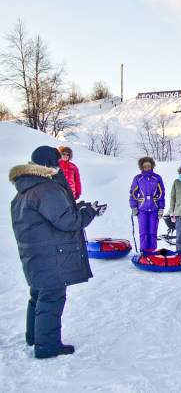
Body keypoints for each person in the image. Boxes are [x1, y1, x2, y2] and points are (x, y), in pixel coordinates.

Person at [10, 146, 106, 359]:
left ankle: (34, 337)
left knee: (38, 295)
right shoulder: (47, 189)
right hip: (51, 254)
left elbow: (52, 215)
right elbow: (68, 221)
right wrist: (89, 212)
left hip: (35, 254)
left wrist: (79, 206)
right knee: (52, 298)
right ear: (50, 164)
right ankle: (48, 346)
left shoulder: (25, 189)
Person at [129, 157, 165, 252]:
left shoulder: (157, 178)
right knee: (143, 232)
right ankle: (144, 252)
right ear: (142, 167)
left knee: (153, 231)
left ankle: (152, 251)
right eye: (145, 166)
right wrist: (133, 207)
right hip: (142, 209)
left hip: (154, 209)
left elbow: (161, 194)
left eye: (149, 165)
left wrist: (161, 208)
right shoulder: (138, 178)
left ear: (152, 166)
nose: (147, 168)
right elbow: (133, 193)